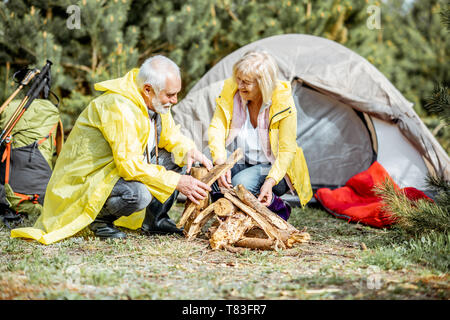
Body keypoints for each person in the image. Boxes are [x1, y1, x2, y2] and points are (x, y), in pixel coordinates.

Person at [11, 55, 212, 244]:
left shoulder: (153, 100)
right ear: (148, 89)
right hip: (88, 178)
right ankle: (98, 220)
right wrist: (176, 180)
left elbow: (170, 136)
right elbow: (130, 166)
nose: (175, 100)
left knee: (179, 157)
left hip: (114, 170)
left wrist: (188, 150)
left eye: (177, 93)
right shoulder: (119, 107)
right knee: (138, 194)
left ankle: (155, 221)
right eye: (170, 95)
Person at [208, 51, 312, 220]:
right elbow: (216, 128)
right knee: (207, 161)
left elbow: (287, 151)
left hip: (272, 167)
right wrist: (220, 164)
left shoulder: (282, 102)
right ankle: (226, 213)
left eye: (246, 82)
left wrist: (271, 181)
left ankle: (276, 207)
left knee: (240, 183)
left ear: (263, 84)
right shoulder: (231, 91)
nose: (239, 85)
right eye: (238, 79)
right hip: (243, 160)